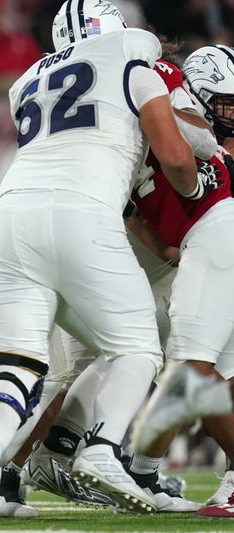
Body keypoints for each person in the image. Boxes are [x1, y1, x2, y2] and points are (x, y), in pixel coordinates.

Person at [0, 1, 205, 526]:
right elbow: (179, 158)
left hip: (7, 217)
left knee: (16, 361)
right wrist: (192, 187)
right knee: (137, 346)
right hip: (83, 213)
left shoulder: (26, 80)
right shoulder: (130, 58)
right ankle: (103, 447)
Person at [131, 44, 234, 516]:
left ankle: (141, 467)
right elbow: (143, 219)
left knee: (190, 368)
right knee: (219, 374)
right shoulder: (157, 103)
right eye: (227, 102)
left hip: (217, 232)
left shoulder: (164, 104)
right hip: (207, 238)